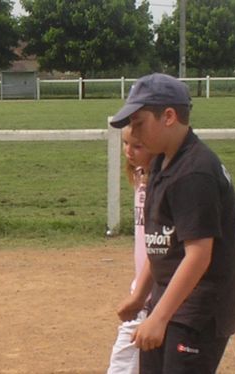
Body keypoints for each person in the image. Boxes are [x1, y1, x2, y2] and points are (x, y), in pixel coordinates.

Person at [110, 73, 235, 374]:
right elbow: (162, 243)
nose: (133, 132)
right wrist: (140, 296)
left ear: (168, 116)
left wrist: (159, 318)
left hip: (198, 310)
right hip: (169, 301)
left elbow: (198, 255)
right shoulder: (161, 162)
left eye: (139, 123)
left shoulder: (194, 172)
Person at [107, 126, 155, 374]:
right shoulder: (140, 175)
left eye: (137, 146)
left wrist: (139, 297)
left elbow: (163, 249)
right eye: (125, 144)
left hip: (152, 295)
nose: (128, 151)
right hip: (144, 289)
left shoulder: (163, 182)